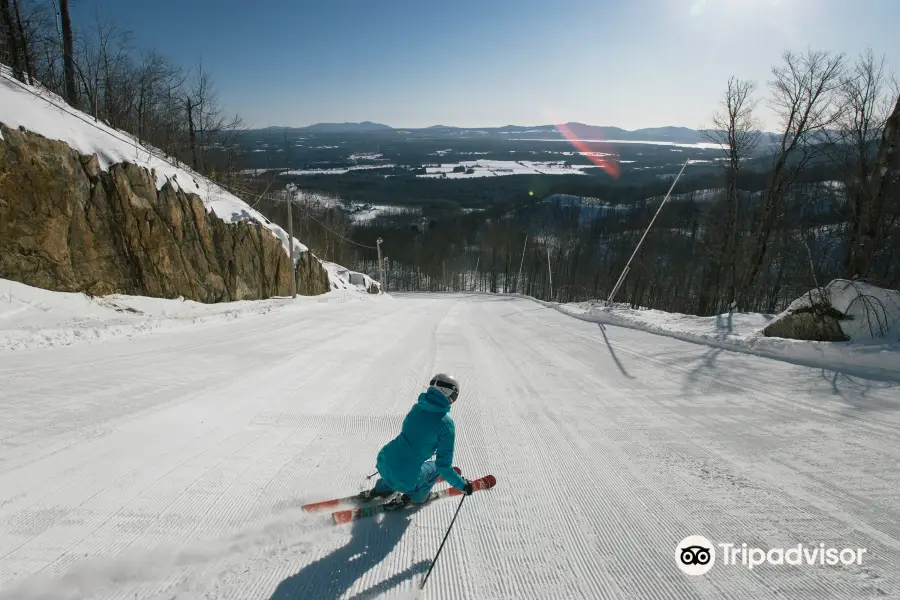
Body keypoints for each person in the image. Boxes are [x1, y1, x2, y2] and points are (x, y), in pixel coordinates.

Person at [360, 373, 474, 509]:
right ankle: (416, 497)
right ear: (450, 394)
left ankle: (381, 489)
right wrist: (463, 486)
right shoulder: (446, 425)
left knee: (401, 461)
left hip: (385, 460)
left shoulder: (418, 407)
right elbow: (443, 467)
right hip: (406, 480)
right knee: (435, 467)